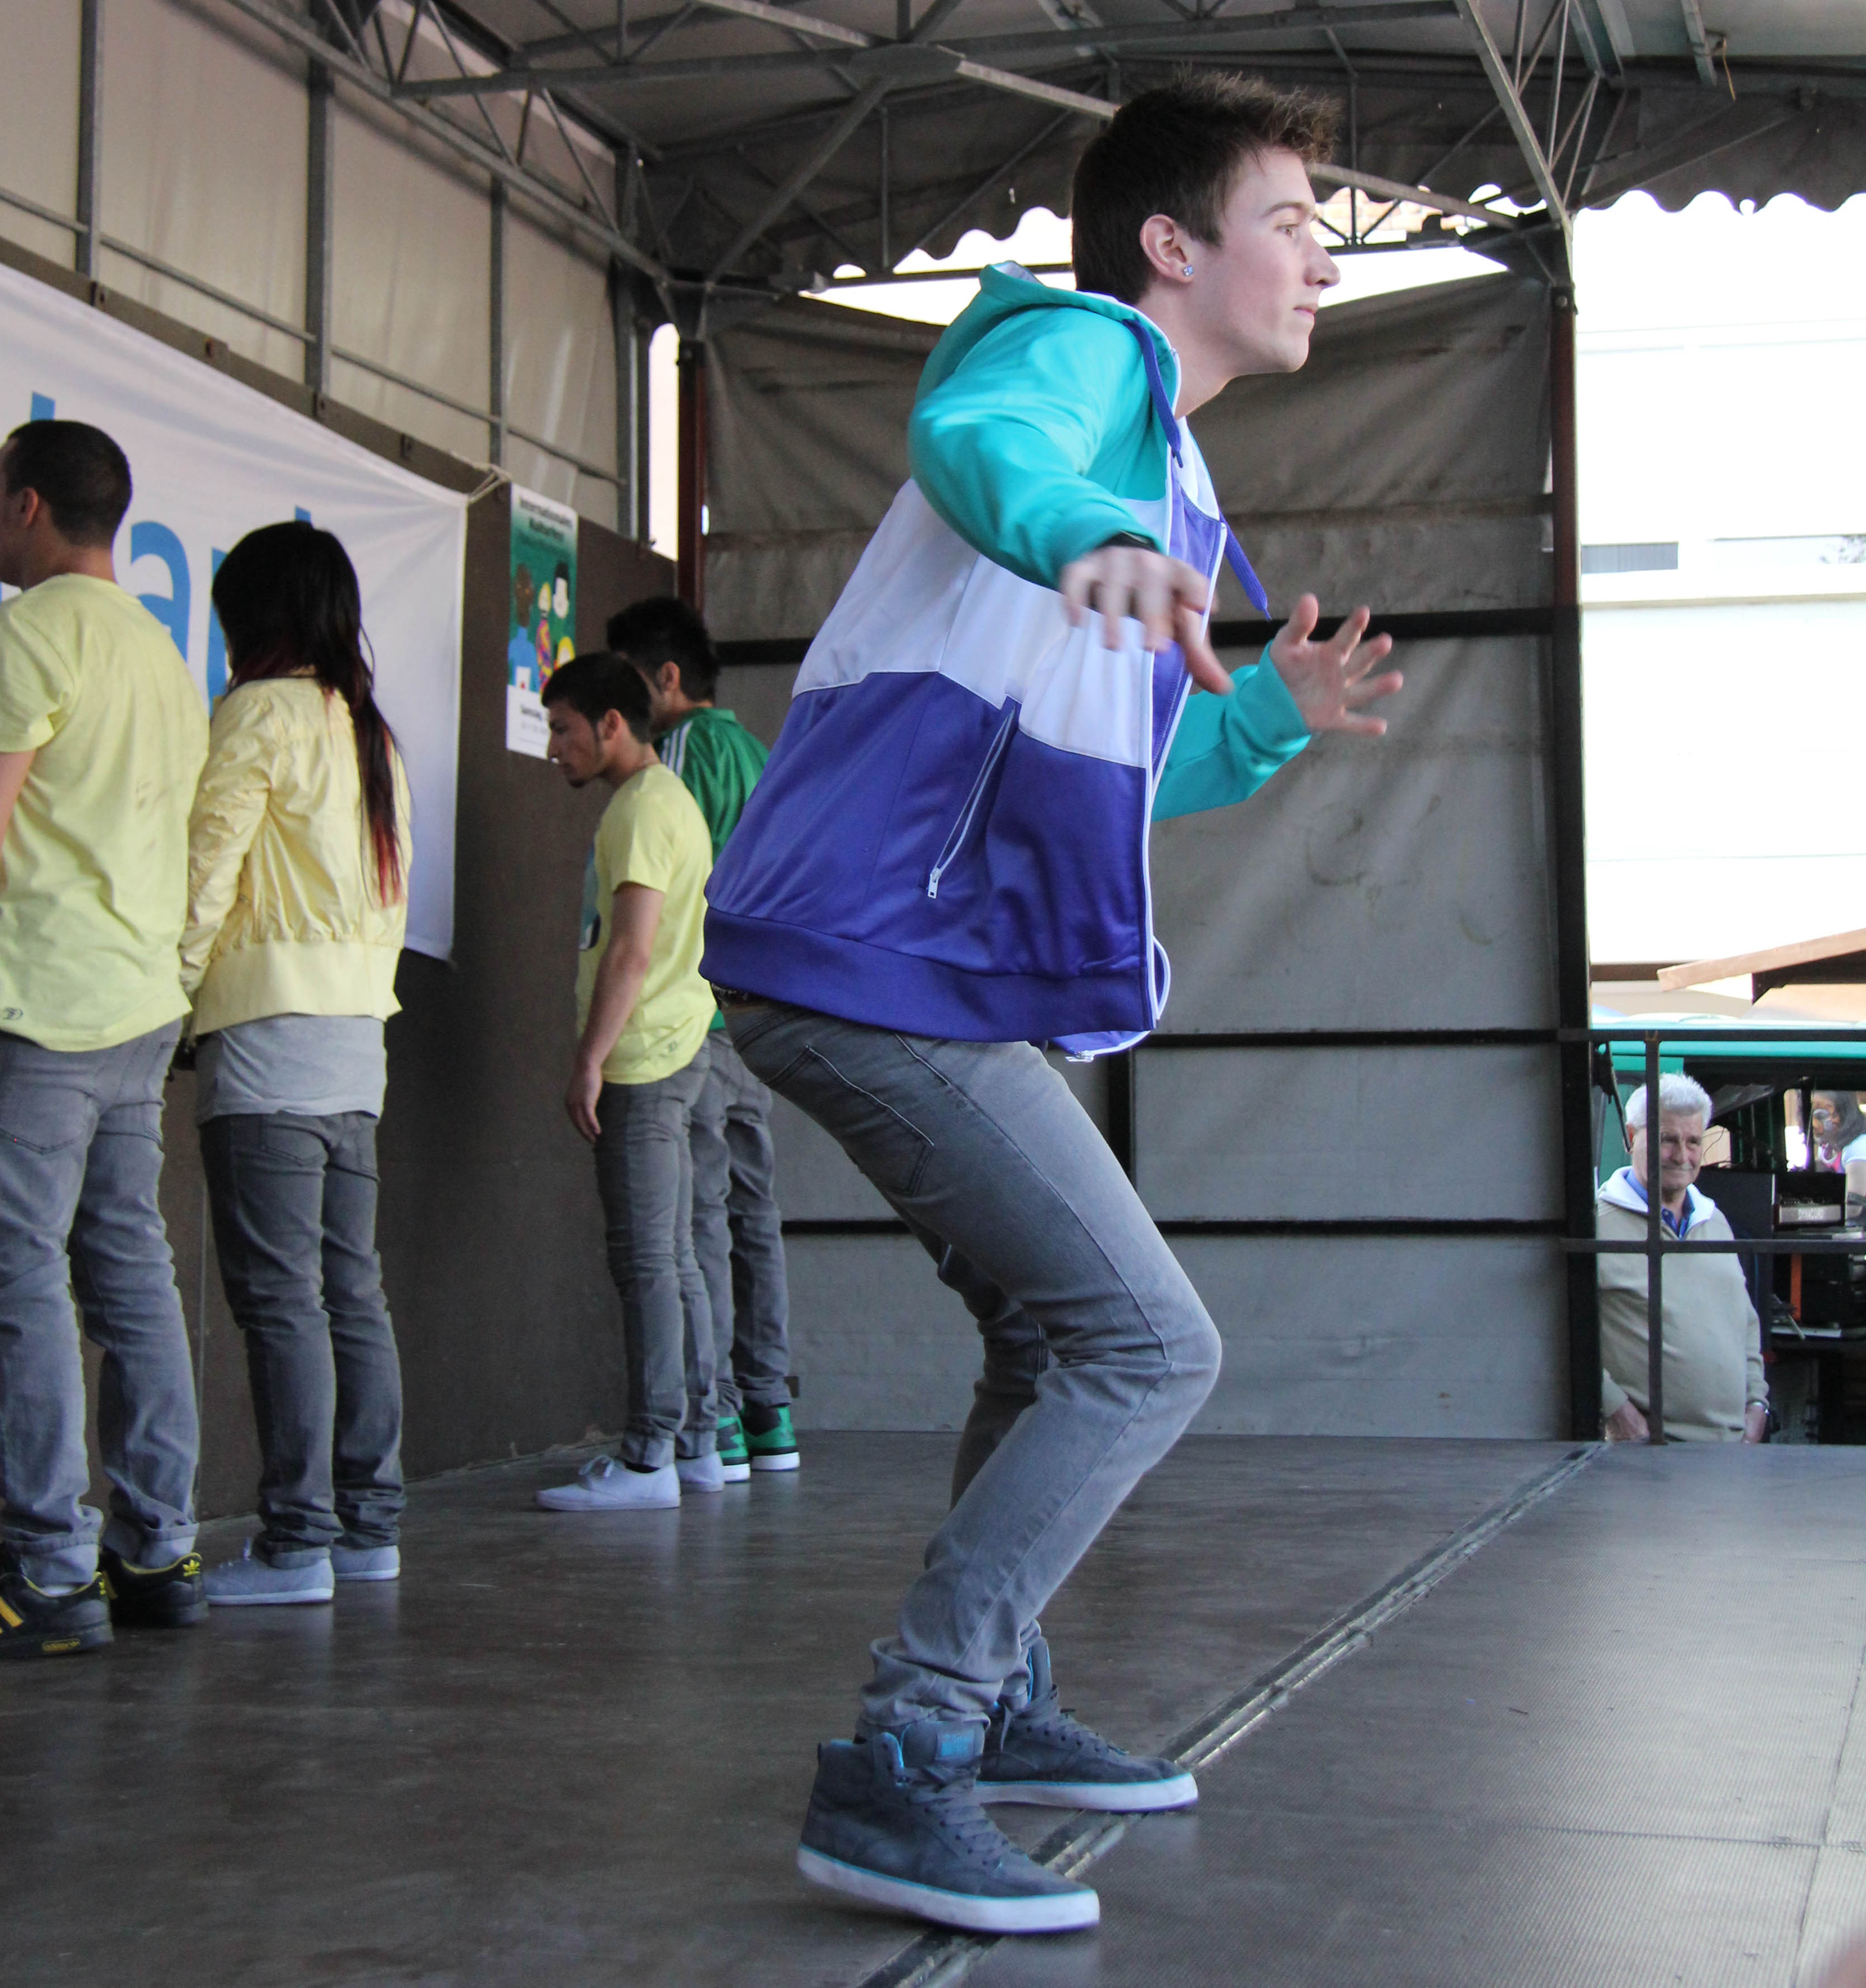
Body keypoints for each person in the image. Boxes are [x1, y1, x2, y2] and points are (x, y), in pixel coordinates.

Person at [701, 76, 1402, 1933]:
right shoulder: (1082, 355)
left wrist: (1268, 715)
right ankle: (909, 1746)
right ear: (1170, 245)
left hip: (907, 961)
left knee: (1045, 1333)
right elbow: (978, 433)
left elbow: (1124, 770)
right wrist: (1082, 524)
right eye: (1289, 223)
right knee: (1147, 1344)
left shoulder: (1168, 478)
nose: (1321, 260)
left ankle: (995, 1701)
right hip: (868, 948)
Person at [0, 420, 210, 1661]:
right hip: (137, 1014)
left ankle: (48, 1565)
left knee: (19, 1284)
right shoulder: (163, 654)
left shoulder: (25, 632)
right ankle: (157, 1551)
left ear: (30, 506)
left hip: (28, 1008)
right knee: (131, 1278)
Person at [179, 521, 415, 1605]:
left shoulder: (256, 712)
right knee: (349, 1288)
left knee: (281, 1298)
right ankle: (368, 1528)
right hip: (356, 1041)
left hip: (266, 1033)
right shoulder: (368, 728)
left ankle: (295, 1543)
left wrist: (170, 999)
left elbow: (206, 874)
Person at [609, 596, 797, 1481]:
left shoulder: (678, 757)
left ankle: (713, 1413)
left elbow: (670, 893)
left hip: (701, 1017)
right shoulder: (758, 751)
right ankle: (769, 1409)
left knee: (700, 1217)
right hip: (761, 1013)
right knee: (754, 1214)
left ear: (667, 679)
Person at [534, 654, 723, 1512]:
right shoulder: (665, 800)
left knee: (648, 1259)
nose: (554, 747)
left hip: (644, 1058)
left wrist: (589, 1059)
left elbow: (632, 949)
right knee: (675, 1256)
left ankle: (651, 1456)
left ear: (613, 723)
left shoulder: (643, 808)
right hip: (677, 1046)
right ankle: (696, 1443)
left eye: (564, 728)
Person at [1599, 1075, 1769, 1446]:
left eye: (1693, 1141)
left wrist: (1757, 1404)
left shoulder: (1715, 1222)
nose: (1682, 1156)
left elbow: (1745, 1322)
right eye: (1667, 1140)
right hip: (1648, 1453)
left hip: (1732, 1449)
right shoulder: (1597, 1227)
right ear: (1631, 1136)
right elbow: (1555, 1336)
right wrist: (1616, 1411)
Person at [1810, 1090, 1866, 1172]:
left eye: (1820, 1116)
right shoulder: (1826, 1148)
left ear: (1844, 1115)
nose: (1814, 1125)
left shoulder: (1858, 1148)